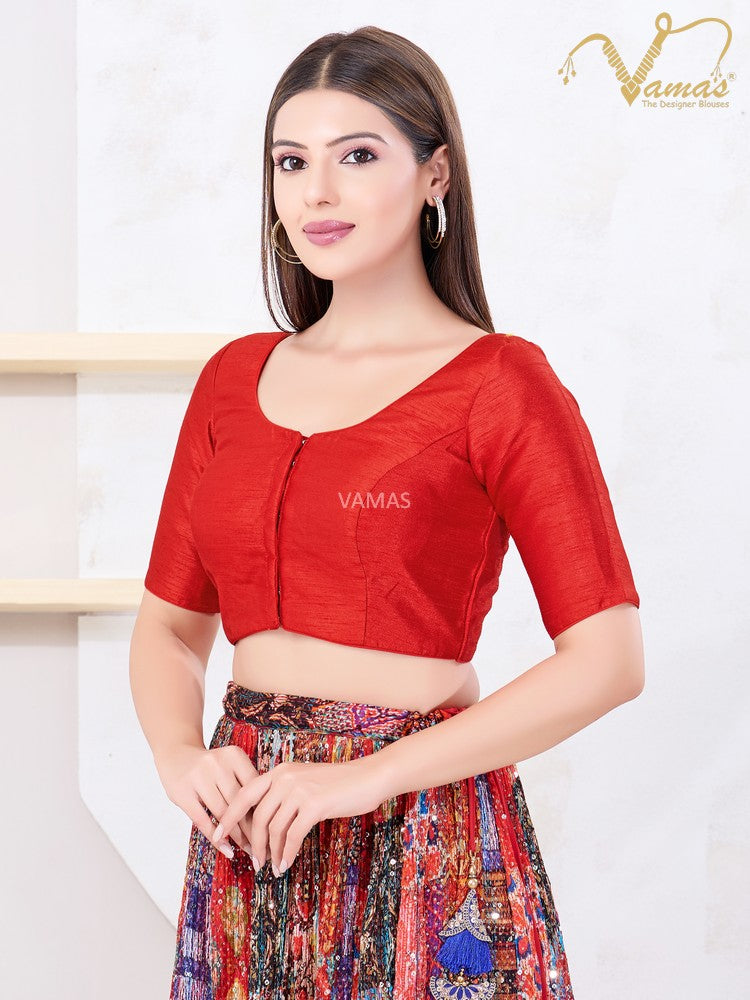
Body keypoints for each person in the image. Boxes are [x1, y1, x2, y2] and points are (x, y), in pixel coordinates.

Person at [129, 25, 644, 1000]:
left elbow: (609, 658)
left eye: (357, 156)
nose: (316, 192)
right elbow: (169, 627)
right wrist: (178, 752)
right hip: (253, 833)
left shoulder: (502, 383)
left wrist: (368, 776)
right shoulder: (232, 380)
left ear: (434, 173)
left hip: (421, 829)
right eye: (291, 162)